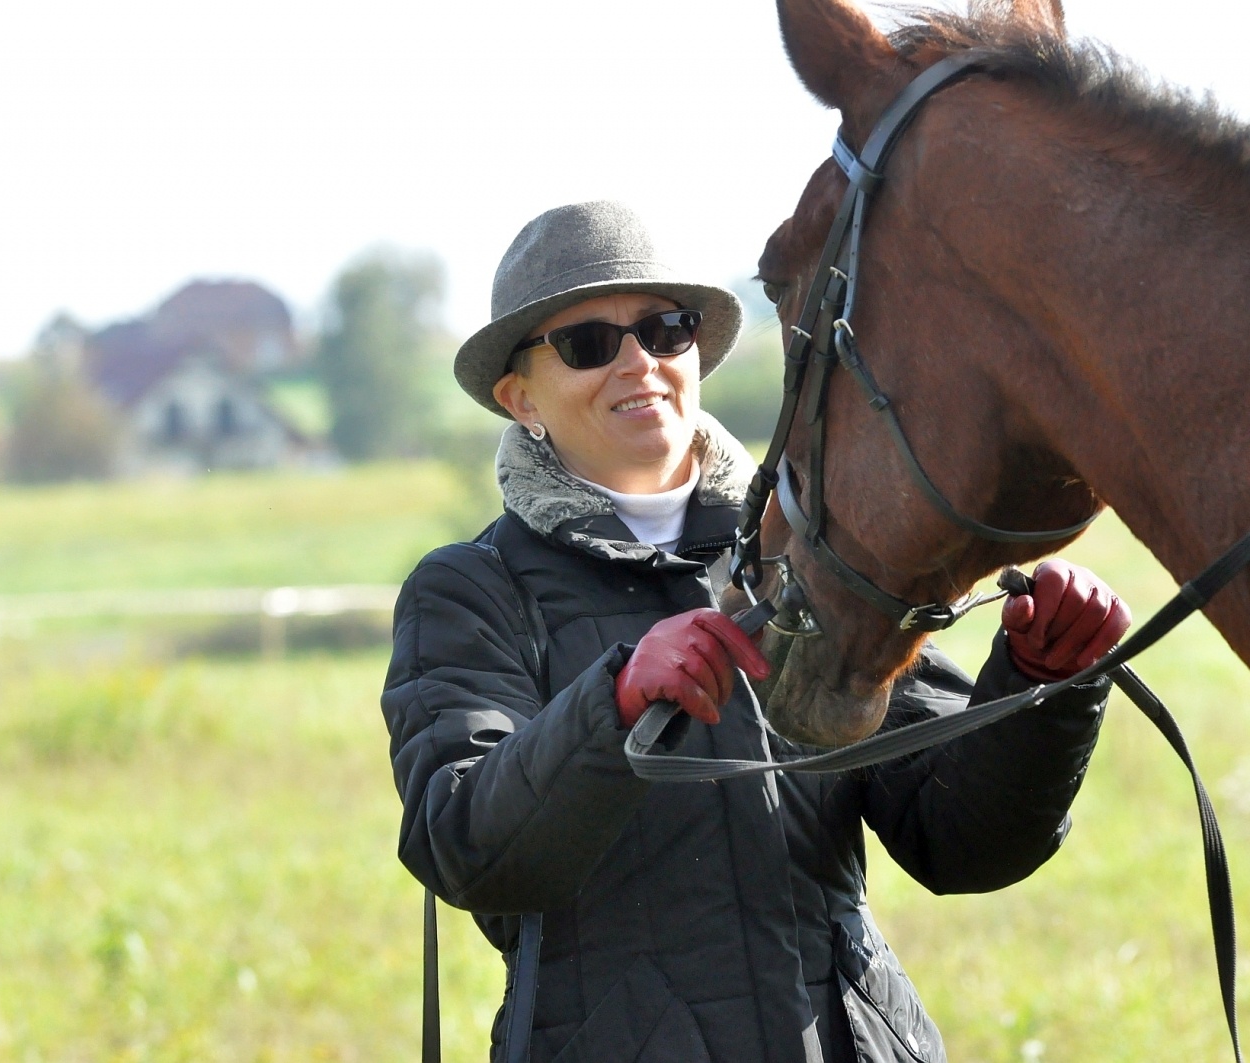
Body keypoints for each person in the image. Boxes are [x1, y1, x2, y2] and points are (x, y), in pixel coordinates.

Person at [382, 201, 1131, 1063]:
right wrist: (614, 702)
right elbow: (466, 848)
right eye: (588, 343)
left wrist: (1041, 685)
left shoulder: (819, 553)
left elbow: (962, 842)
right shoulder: (470, 589)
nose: (640, 361)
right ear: (520, 399)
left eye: (665, 330)